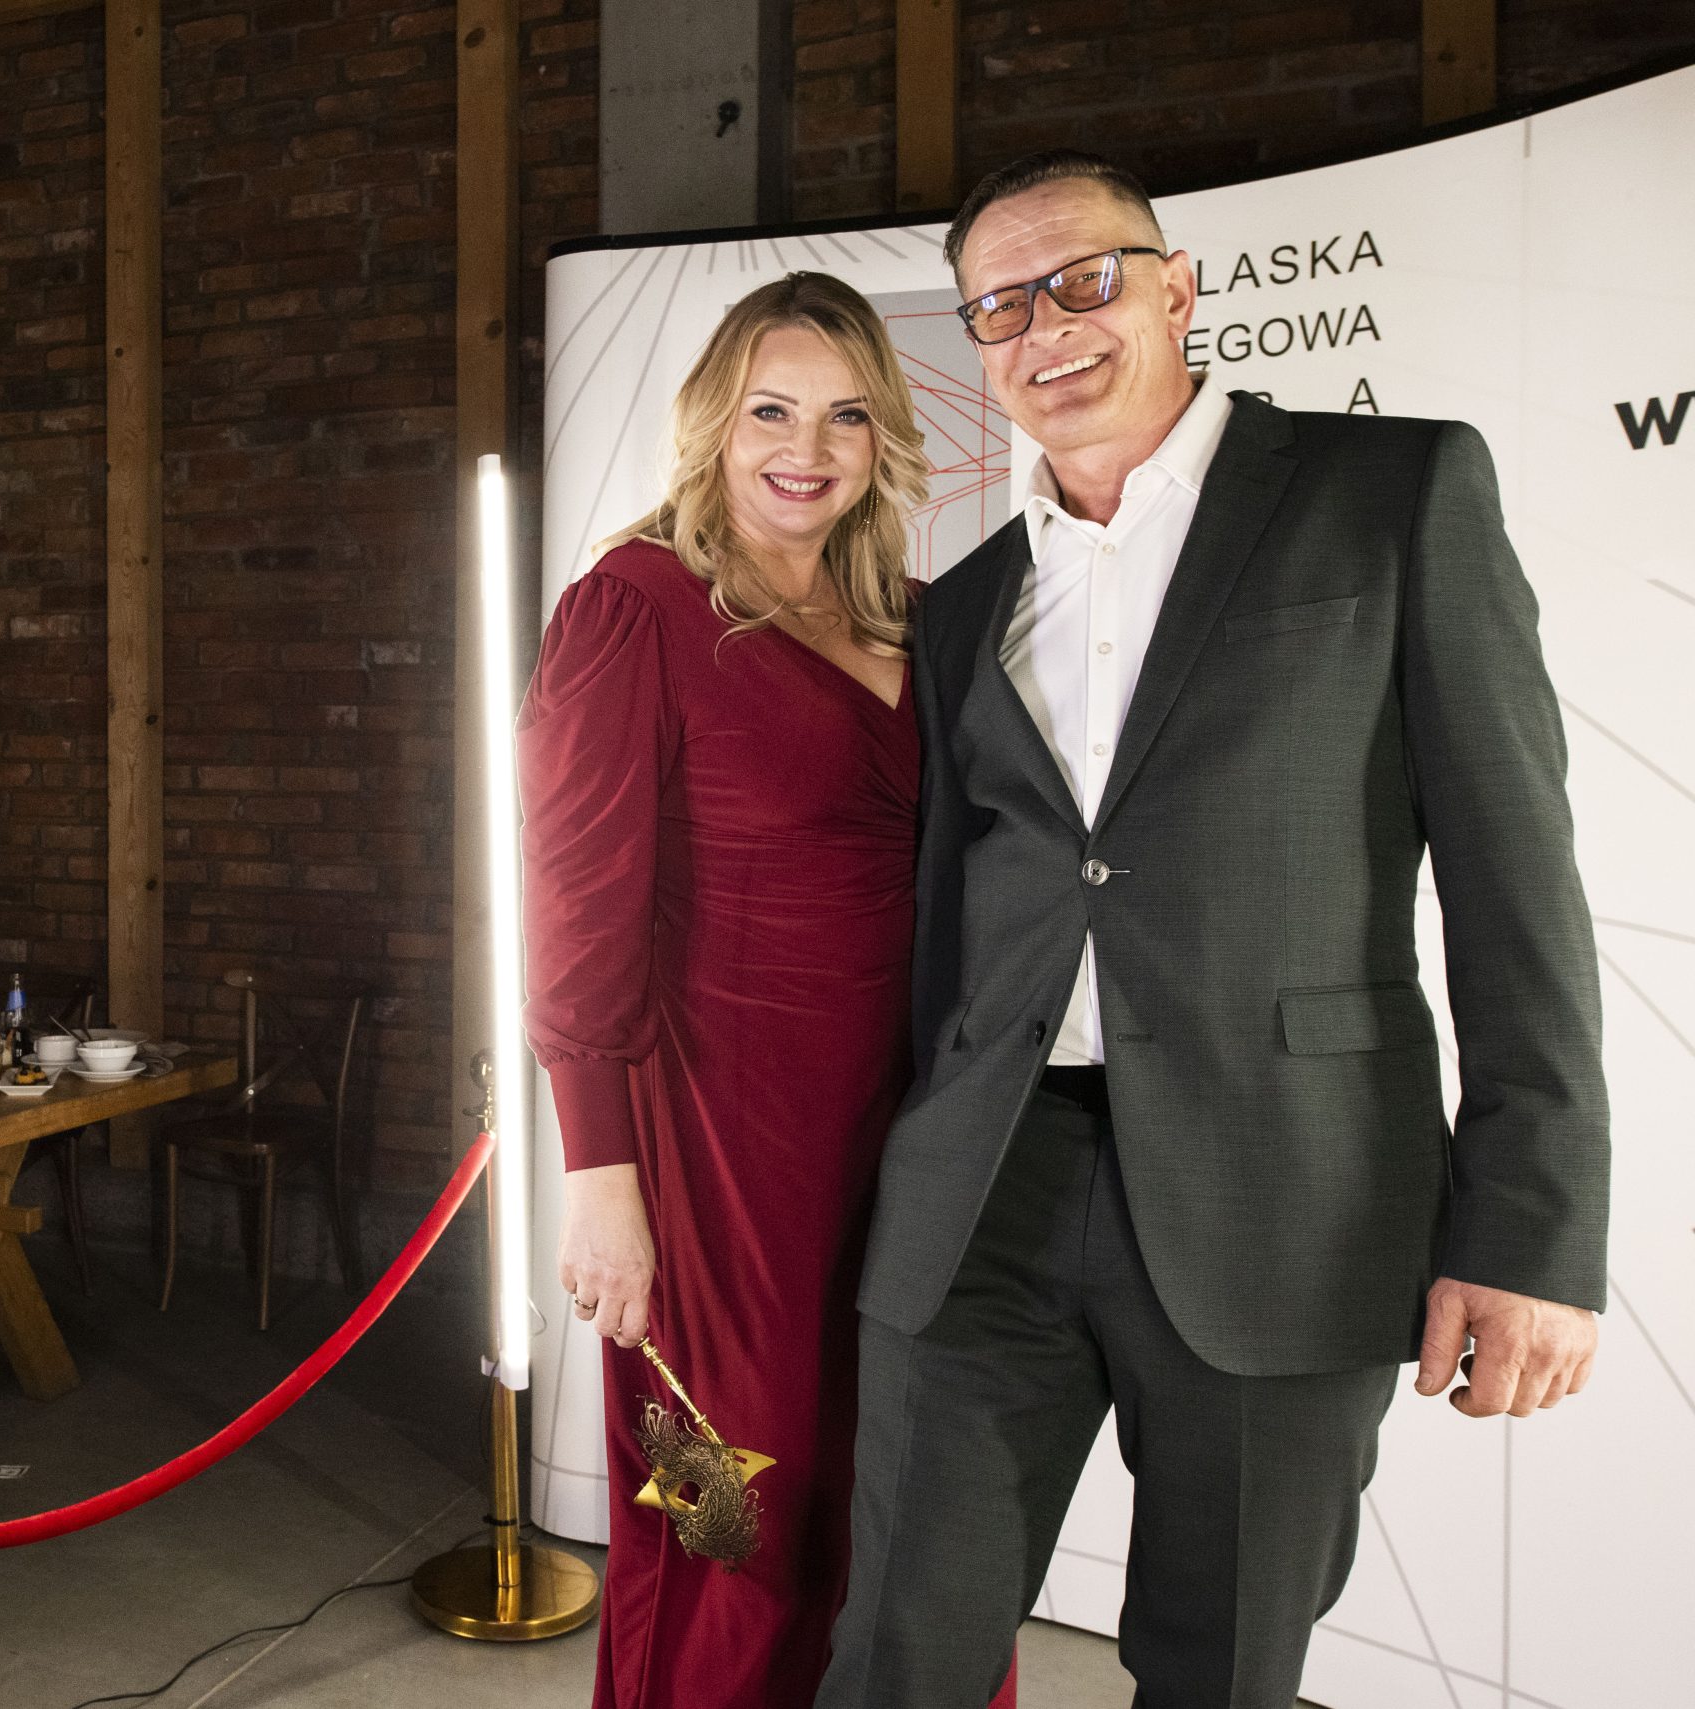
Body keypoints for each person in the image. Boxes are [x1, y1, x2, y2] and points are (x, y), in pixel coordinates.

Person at [817, 149, 1609, 1709]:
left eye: (1083, 279)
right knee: (895, 1658)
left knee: (1222, 1672)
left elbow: (1517, 882)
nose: (1045, 326)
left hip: (1288, 1191)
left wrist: (1531, 1229)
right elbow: (953, 919)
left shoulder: (1393, 495)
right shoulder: (963, 603)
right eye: (999, 306)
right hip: (986, 1191)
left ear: (1179, 289)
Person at [523, 273, 1010, 1709]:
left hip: (907, 1146)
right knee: (733, 1533)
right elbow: (575, 912)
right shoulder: (635, 605)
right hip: (715, 1162)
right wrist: (601, 1181)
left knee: (902, 1518)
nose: (808, 448)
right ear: (713, 426)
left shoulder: (918, 619)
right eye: (771, 411)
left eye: (846, 415)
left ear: (883, 437)